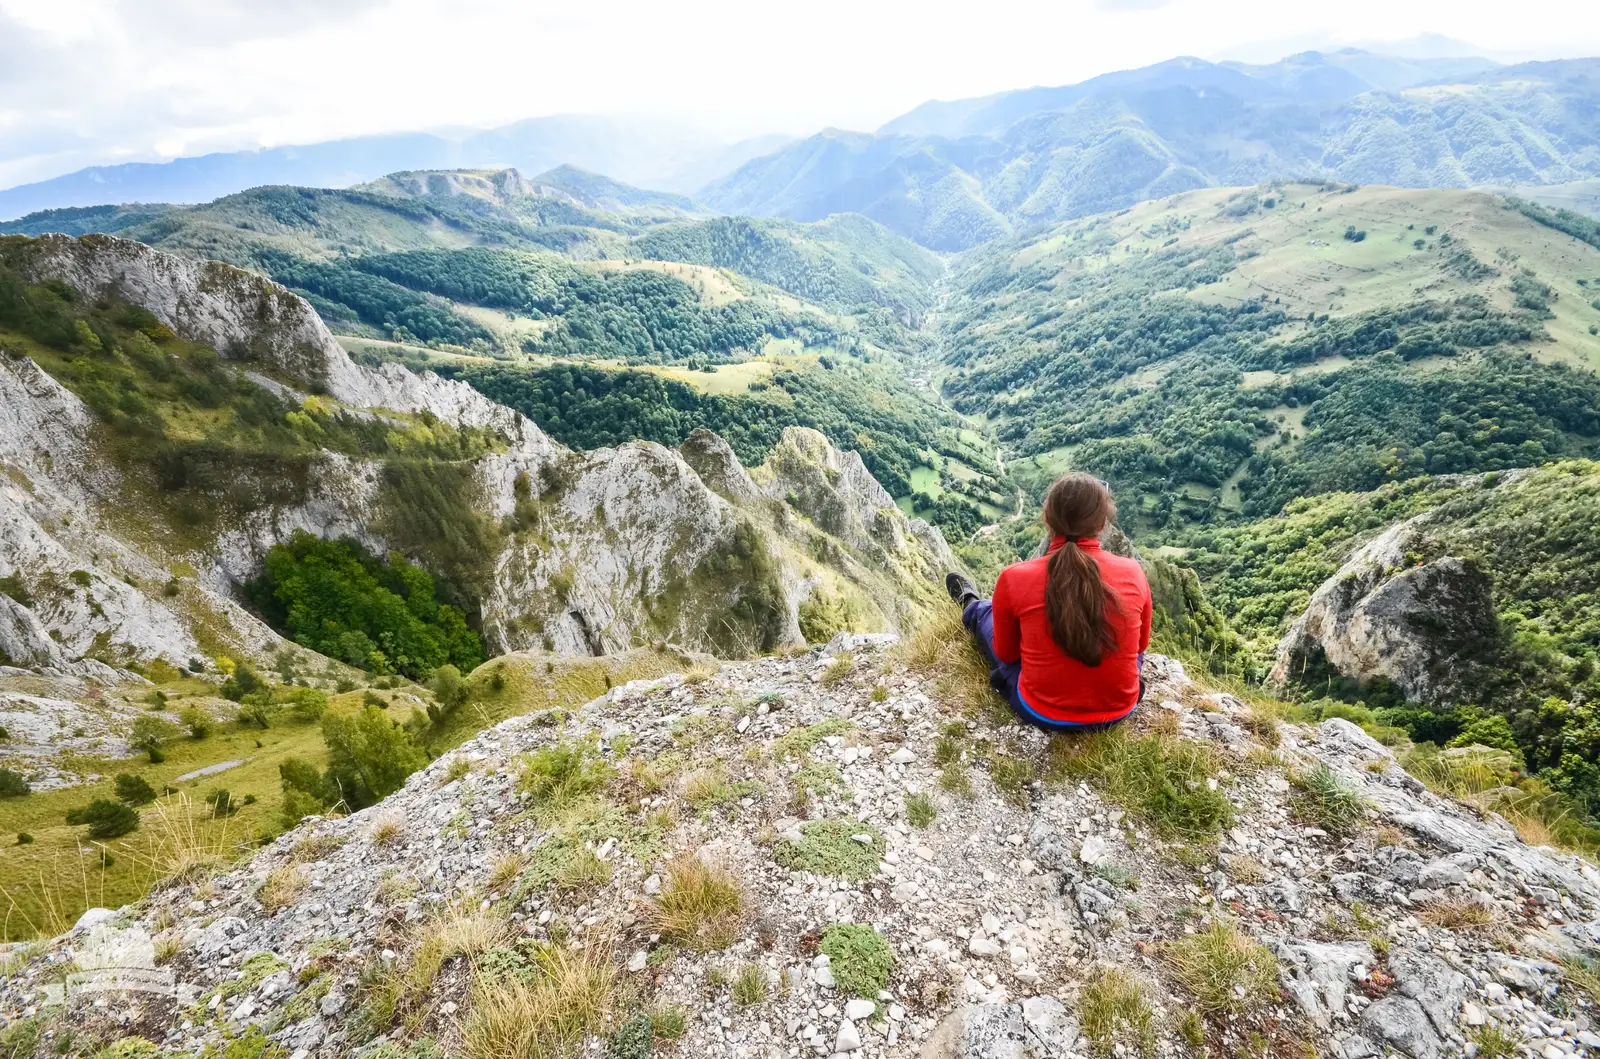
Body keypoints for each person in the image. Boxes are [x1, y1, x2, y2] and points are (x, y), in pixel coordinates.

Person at [945, 473, 1151, 731]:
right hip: (1118, 710)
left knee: (987, 613)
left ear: (1048, 520)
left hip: (1041, 711)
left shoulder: (1014, 577)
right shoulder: (1133, 572)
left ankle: (971, 604)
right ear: (1102, 524)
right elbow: (1141, 646)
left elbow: (1007, 654)